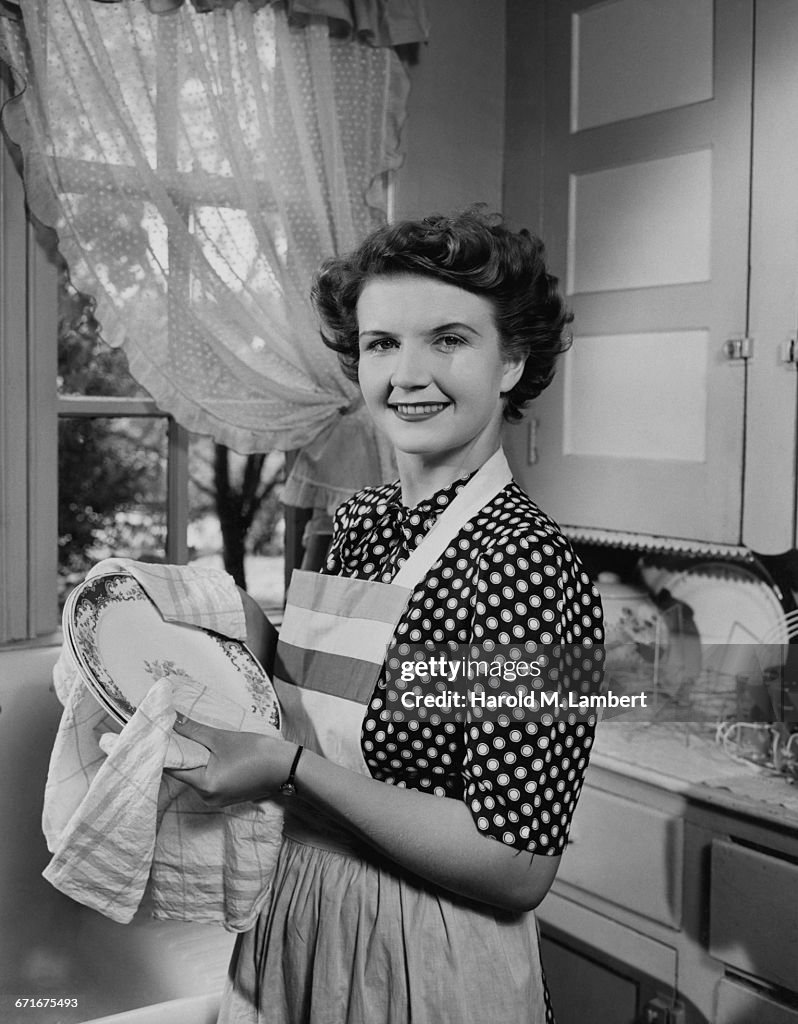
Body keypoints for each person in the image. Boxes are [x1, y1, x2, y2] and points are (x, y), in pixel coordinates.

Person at [171, 208, 604, 1024]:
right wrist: (210, 616)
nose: (407, 374)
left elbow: (515, 864)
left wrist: (292, 772)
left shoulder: (534, 568)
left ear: (510, 361)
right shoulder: (356, 520)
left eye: (448, 340)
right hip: (293, 917)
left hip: (424, 952)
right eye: (382, 344)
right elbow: (320, 684)